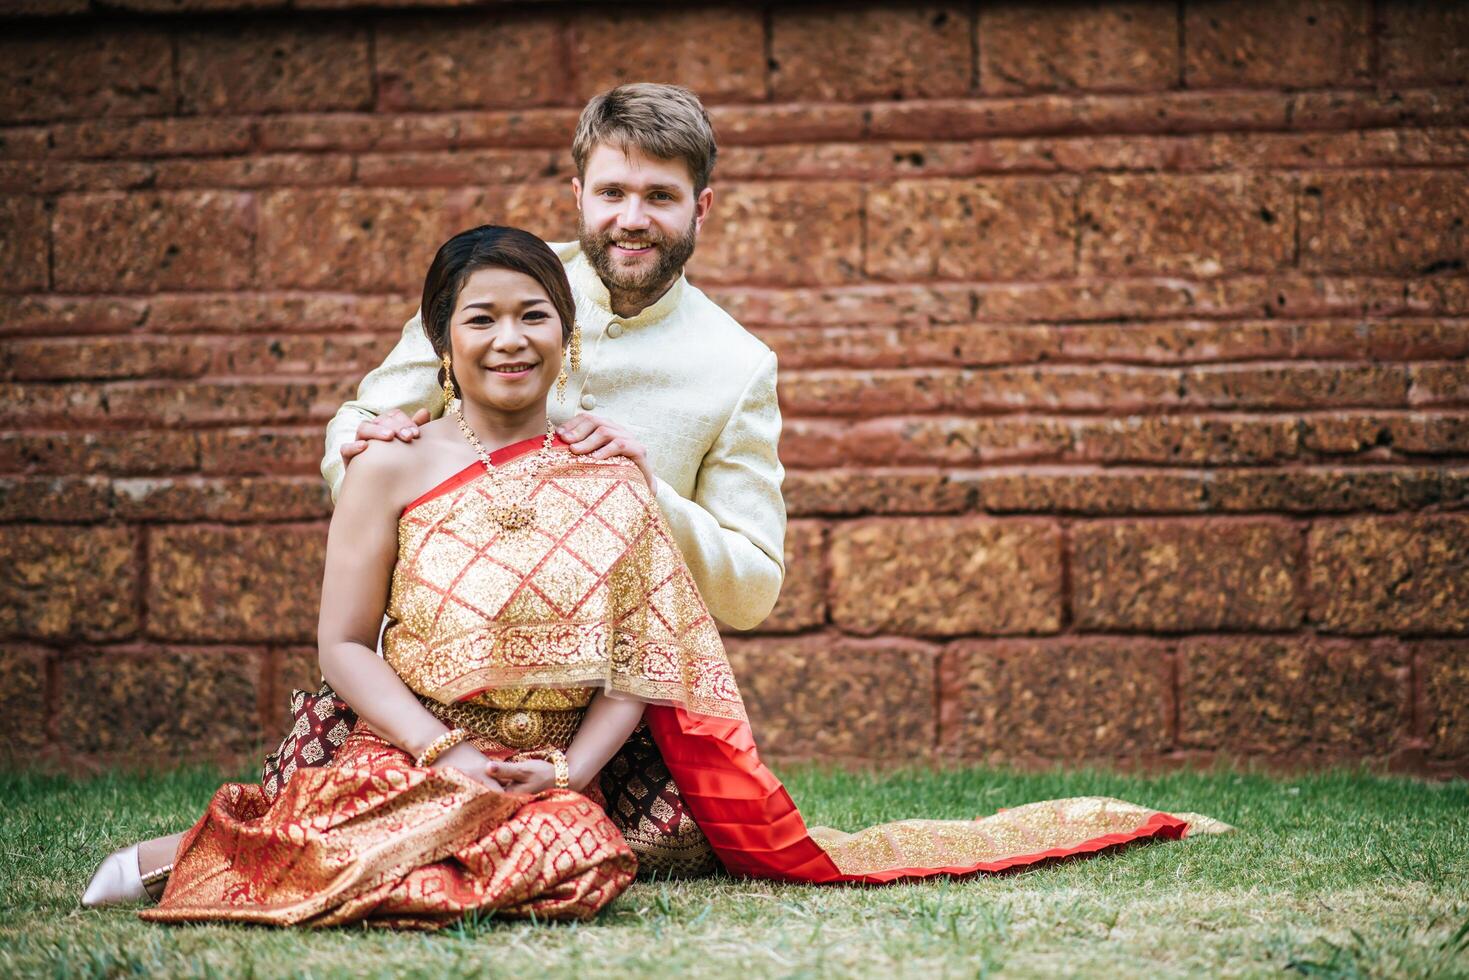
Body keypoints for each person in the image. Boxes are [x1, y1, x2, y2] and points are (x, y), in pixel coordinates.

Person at [133, 225, 1226, 927]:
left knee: (575, 863)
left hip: (563, 764)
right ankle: (193, 852)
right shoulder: (388, 463)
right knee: (413, 823)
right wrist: (445, 749)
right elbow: (340, 644)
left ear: (564, 337)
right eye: (482, 318)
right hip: (409, 743)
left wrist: (565, 774)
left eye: (534, 317)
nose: (510, 340)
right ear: (441, 337)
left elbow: (639, 661)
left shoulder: (608, 469)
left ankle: (370, 843)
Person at [84, 81, 782, 905]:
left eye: (660, 197)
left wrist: (638, 491)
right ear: (578, 195)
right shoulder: (502, 285)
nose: (632, 218)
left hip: (597, 707)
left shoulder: (737, 367)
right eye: (613, 193)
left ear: (701, 207)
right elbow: (364, 429)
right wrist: (389, 473)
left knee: (572, 856)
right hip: (438, 679)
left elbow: (752, 589)